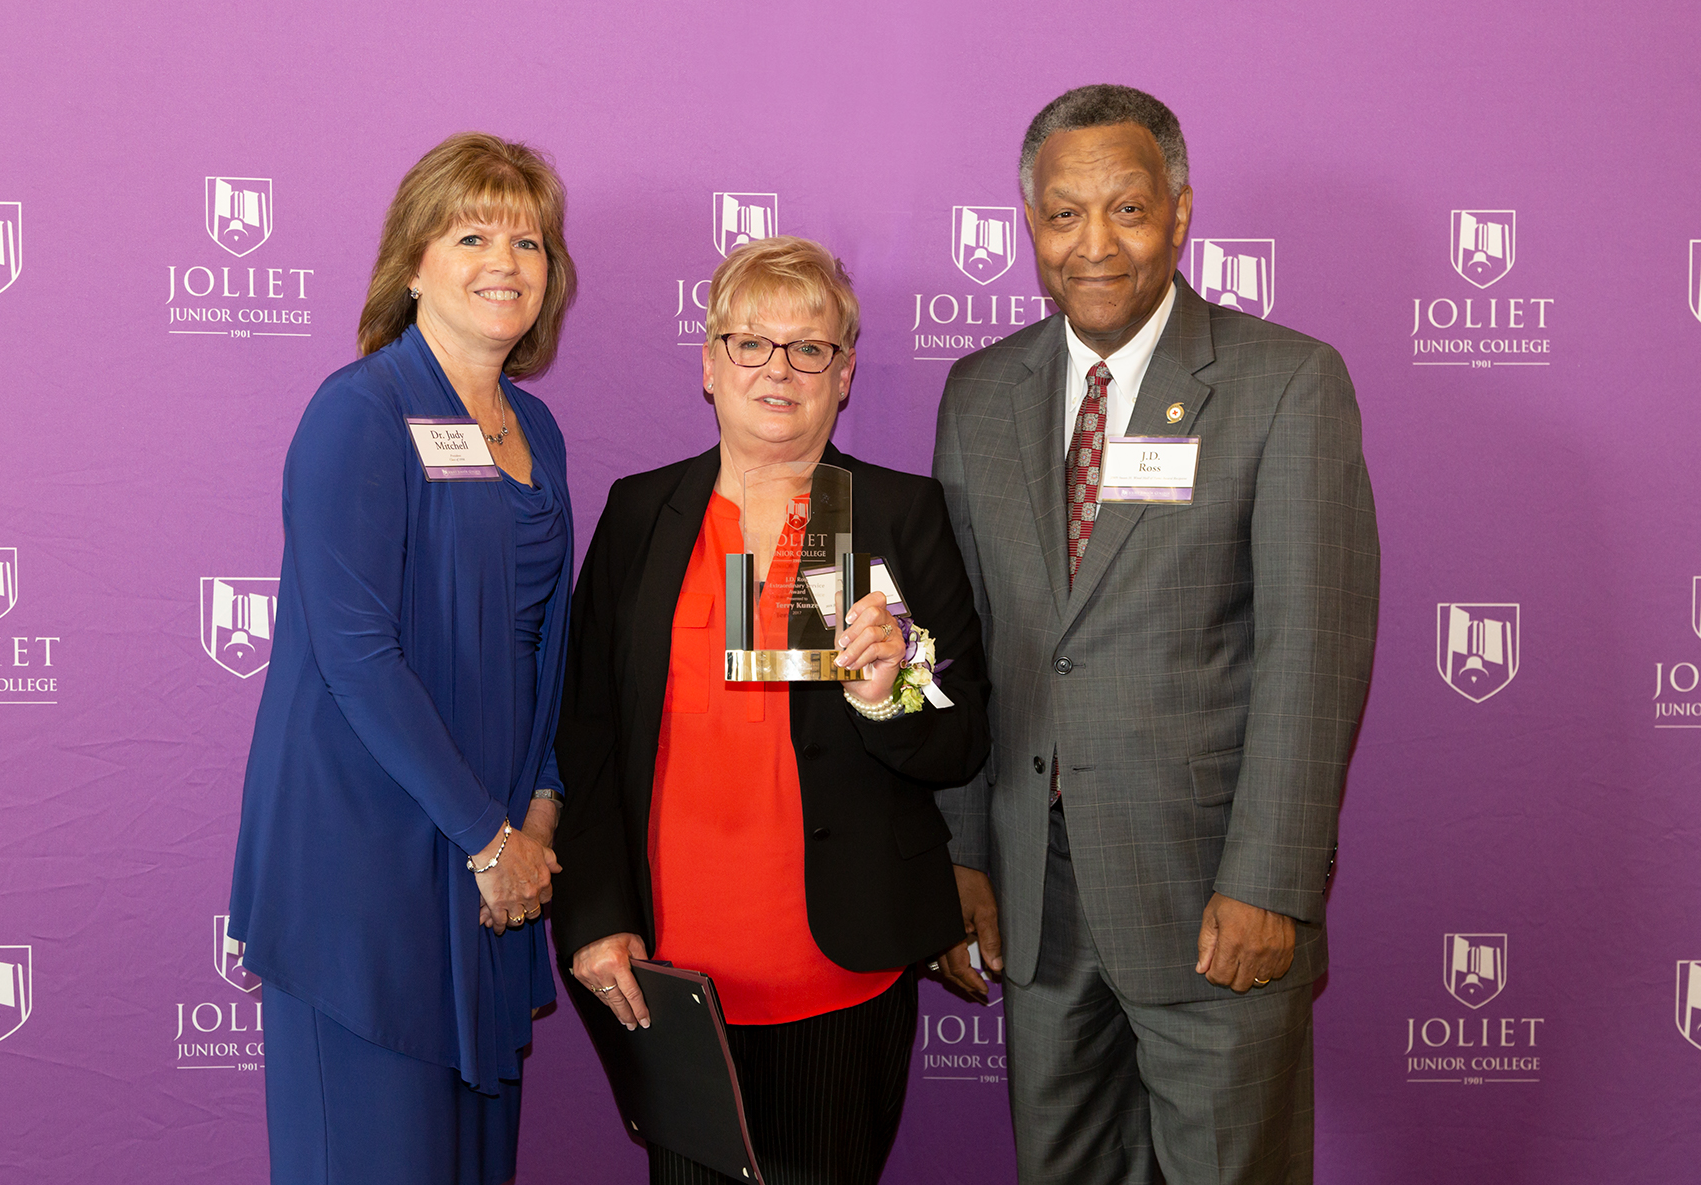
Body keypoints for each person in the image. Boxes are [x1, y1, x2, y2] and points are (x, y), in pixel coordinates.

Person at [930, 85, 1380, 1184]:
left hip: (1210, 898)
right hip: (1037, 905)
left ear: (1181, 214)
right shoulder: (979, 393)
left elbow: (1313, 654)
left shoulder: (1286, 385)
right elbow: (963, 647)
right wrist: (960, 859)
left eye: (1127, 210)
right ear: (1029, 226)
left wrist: (1270, 881)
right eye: (1064, 214)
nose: (1095, 244)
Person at [554, 236, 991, 1185]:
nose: (778, 369)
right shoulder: (639, 514)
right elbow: (585, 734)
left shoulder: (898, 515)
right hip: (671, 969)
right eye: (750, 343)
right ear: (709, 366)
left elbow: (962, 738)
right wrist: (594, 914)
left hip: (839, 960)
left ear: (845, 375)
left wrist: (888, 697)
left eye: (810, 347)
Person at [227, 131, 579, 1184]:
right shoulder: (360, 412)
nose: (505, 261)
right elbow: (356, 655)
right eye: (471, 232)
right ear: (412, 262)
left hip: (494, 866)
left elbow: (540, 644)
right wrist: (489, 837)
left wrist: (543, 808)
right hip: (372, 864)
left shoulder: (542, 430)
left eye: (529, 239)